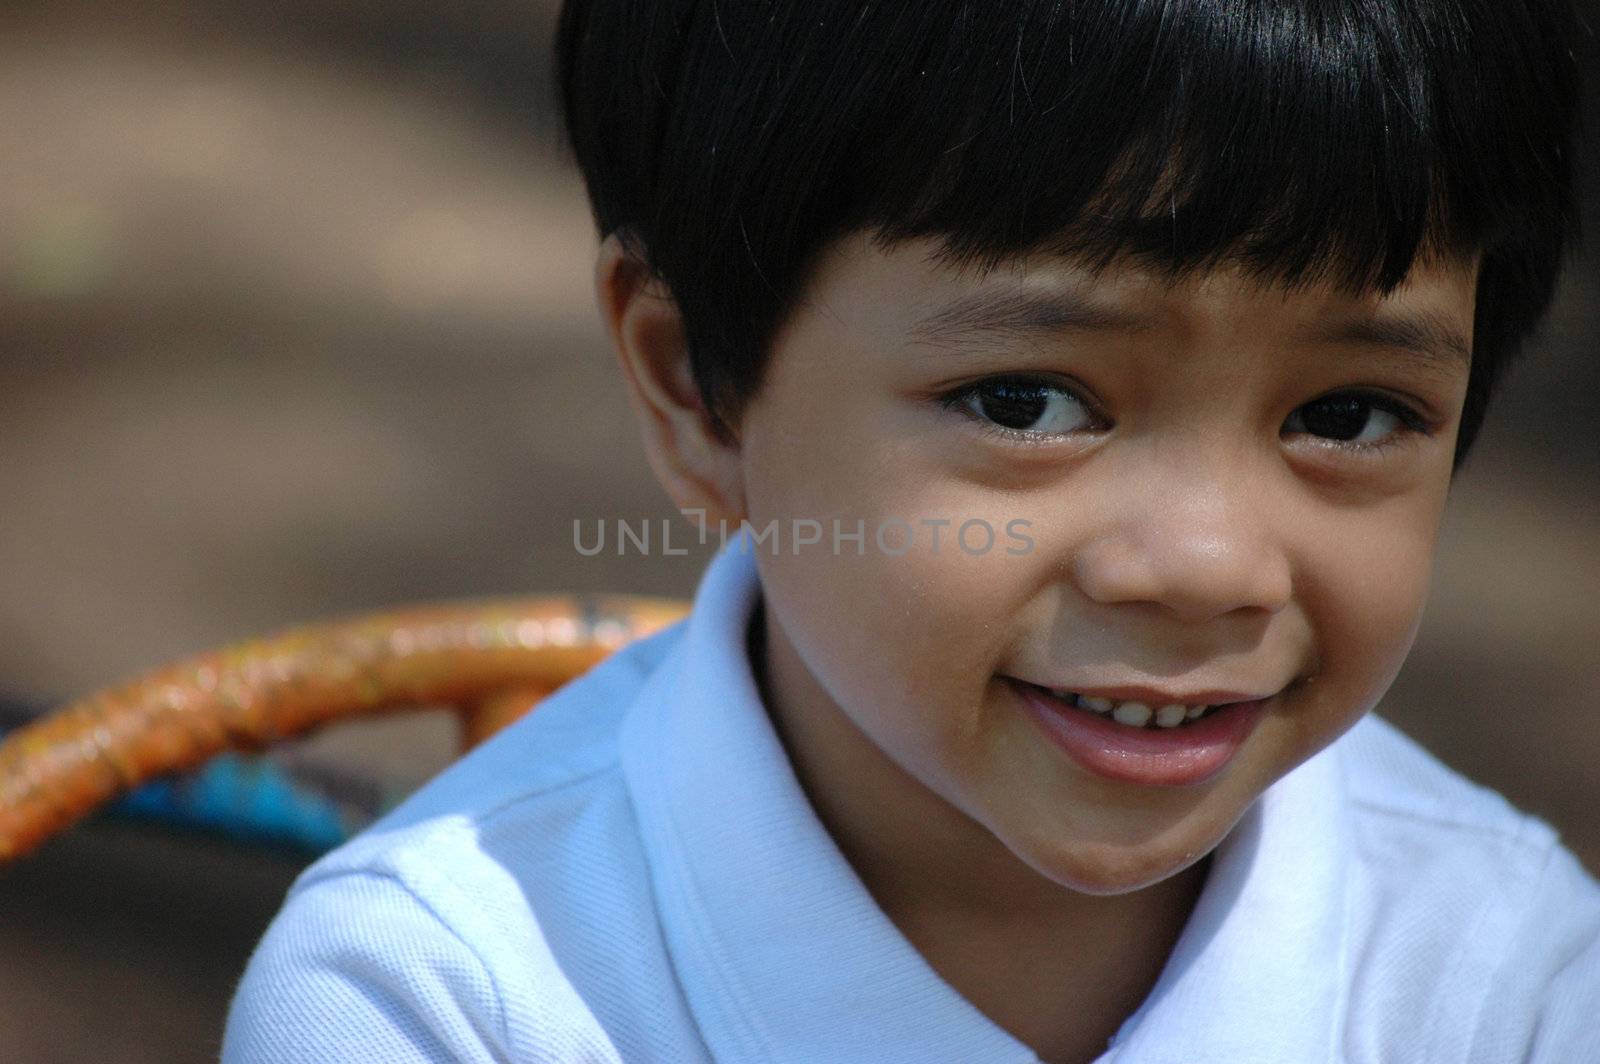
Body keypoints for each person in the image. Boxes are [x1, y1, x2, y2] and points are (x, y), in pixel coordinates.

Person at [222, 1, 1598, 1061]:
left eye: (1351, 416)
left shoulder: (1507, 979)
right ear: (696, 386)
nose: (1205, 567)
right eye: (1026, 400)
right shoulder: (439, 1000)